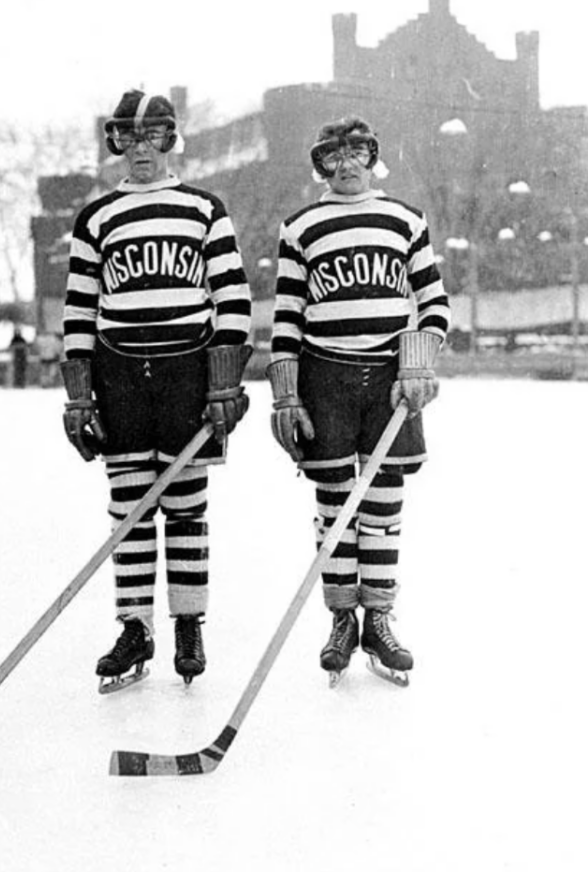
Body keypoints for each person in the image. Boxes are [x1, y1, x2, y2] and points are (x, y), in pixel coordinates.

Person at [61, 89, 252, 692]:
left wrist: (223, 382)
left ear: (171, 141)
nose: (139, 151)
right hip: (119, 377)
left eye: (152, 138)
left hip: (185, 377)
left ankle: (188, 622)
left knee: (186, 506)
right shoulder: (96, 217)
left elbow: (233, 298)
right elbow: (78, 313)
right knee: (129, 508)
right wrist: (79, 393)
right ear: (115, 143)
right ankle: (135, 626)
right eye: (128, 139)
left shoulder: (203, 209)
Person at [267, 116, 450, 686]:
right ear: (321, 166)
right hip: (325, 375)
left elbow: (435, 302)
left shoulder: (403, 219)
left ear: (373, 157)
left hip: (389, 378)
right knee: (334, 504)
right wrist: (287, 394)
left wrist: (418, 361)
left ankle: (380, 618)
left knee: (383, 503)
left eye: (357, 154)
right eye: (333, 157)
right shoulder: (301, 227)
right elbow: (287, 318)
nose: (347, 166)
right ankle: (342, 618)